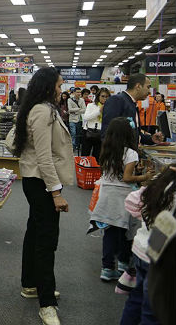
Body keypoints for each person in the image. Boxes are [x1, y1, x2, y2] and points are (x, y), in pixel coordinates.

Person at [12, 67, 71, 325]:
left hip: (37, 180)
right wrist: (56, 192)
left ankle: (30, 284)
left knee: (35, 232)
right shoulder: (43, 111)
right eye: (58, 85)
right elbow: (44, 156)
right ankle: (47, 303)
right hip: (41, 182)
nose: (61, 90)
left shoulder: (39, 108)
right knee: (46, 240)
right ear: (48, 87)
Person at [91, 117, 153, 284]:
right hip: (122, 197)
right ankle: (123, 265)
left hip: (107, 195)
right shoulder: (131, 152)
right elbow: (126, 177)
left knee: (109, 233)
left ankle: (107, 268)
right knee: (126, 233)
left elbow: (115, 172)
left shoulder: (106, 149)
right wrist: (144, 176)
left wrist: (133, 170)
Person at [121, 166, 176, 325]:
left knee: (136, 299)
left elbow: (131, 202)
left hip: (141, 251)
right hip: (159, 260)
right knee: (153, 310)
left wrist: (148, 218)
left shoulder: (157, 188)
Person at [101, 73, 163, 145]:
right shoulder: (117, 100)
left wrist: (151, 139)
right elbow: (108, 133)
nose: (149, 92)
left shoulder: (132, 103)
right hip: (120, 154)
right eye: (148, 87)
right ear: (138, 86)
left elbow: (134, 133)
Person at [81, 88, 110, 159]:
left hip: (101, 133)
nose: (105, 98)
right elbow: (86, 117)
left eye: (107, 96)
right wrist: (99, 111)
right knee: (85, 155)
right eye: (103, 96)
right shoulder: (91, 105)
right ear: (98, 96)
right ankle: (84, 169)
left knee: (97, 156)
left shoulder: (110, 107)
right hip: (88, 132)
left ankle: (95, 170)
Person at [68, 87, 86, 153]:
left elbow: (84, 110)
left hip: (80, 119)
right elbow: (70, 109)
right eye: (77, 92)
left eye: (80, 92)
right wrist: (79, 109)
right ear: (74, 92)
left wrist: (75, 110)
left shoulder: (82, 100)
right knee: (73, 133)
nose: (79, 93)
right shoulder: (69, 100)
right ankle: (72, 147)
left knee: (78, 133)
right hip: (72, 119)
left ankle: (77, 146)